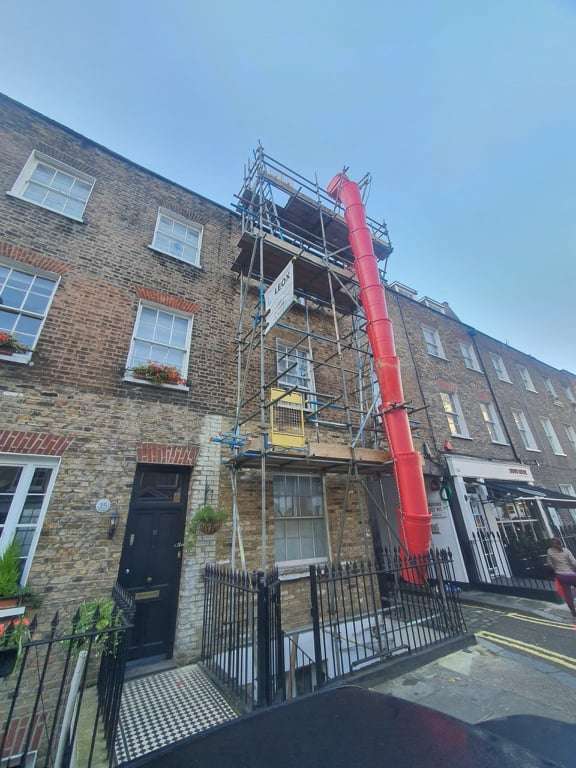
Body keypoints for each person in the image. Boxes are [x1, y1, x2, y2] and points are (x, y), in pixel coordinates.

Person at [547, 537, 576, 618]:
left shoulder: (549, 551)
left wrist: (555, 570)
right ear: (561, 543)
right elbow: (574, 563)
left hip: (561, 576)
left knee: (568, 594)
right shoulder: (566, 551)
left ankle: (573, 612)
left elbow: (550, 564)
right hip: (572, 575)